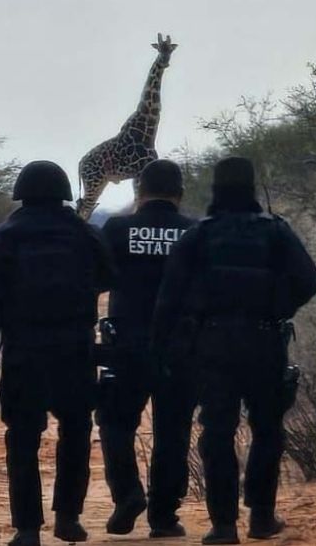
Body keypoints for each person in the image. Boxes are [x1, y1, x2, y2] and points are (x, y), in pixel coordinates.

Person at [153, 158, 316, 545]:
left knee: (217, 434)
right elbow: (308, 280)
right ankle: (261, 517)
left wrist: (162, 349)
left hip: (212, 347)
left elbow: (168, 299)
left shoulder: (198, 235)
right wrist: (279, 307)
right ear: (251, 187)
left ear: (215, 189)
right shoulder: (276, 232)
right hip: (265, 343)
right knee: (267, 430)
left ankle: (224, 526)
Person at [0, 160, 116, 546]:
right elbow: (109, 276)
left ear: (21, 193)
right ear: (65, 193)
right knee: (76, 431)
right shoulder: (85, 233)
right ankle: (68, 517)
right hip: (75, 348)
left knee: (22, 437)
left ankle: (28, 528)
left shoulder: (4, 237)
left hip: (24, 349)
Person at [95, 159, 197, 537]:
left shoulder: (118, 229)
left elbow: (98, 278)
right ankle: (164, 516)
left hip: (126, 345)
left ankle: (127, 494)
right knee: (173, 431)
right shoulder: (193, 232)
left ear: (138, 193)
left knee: (115, 422)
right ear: (180, 195)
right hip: (180, 348)